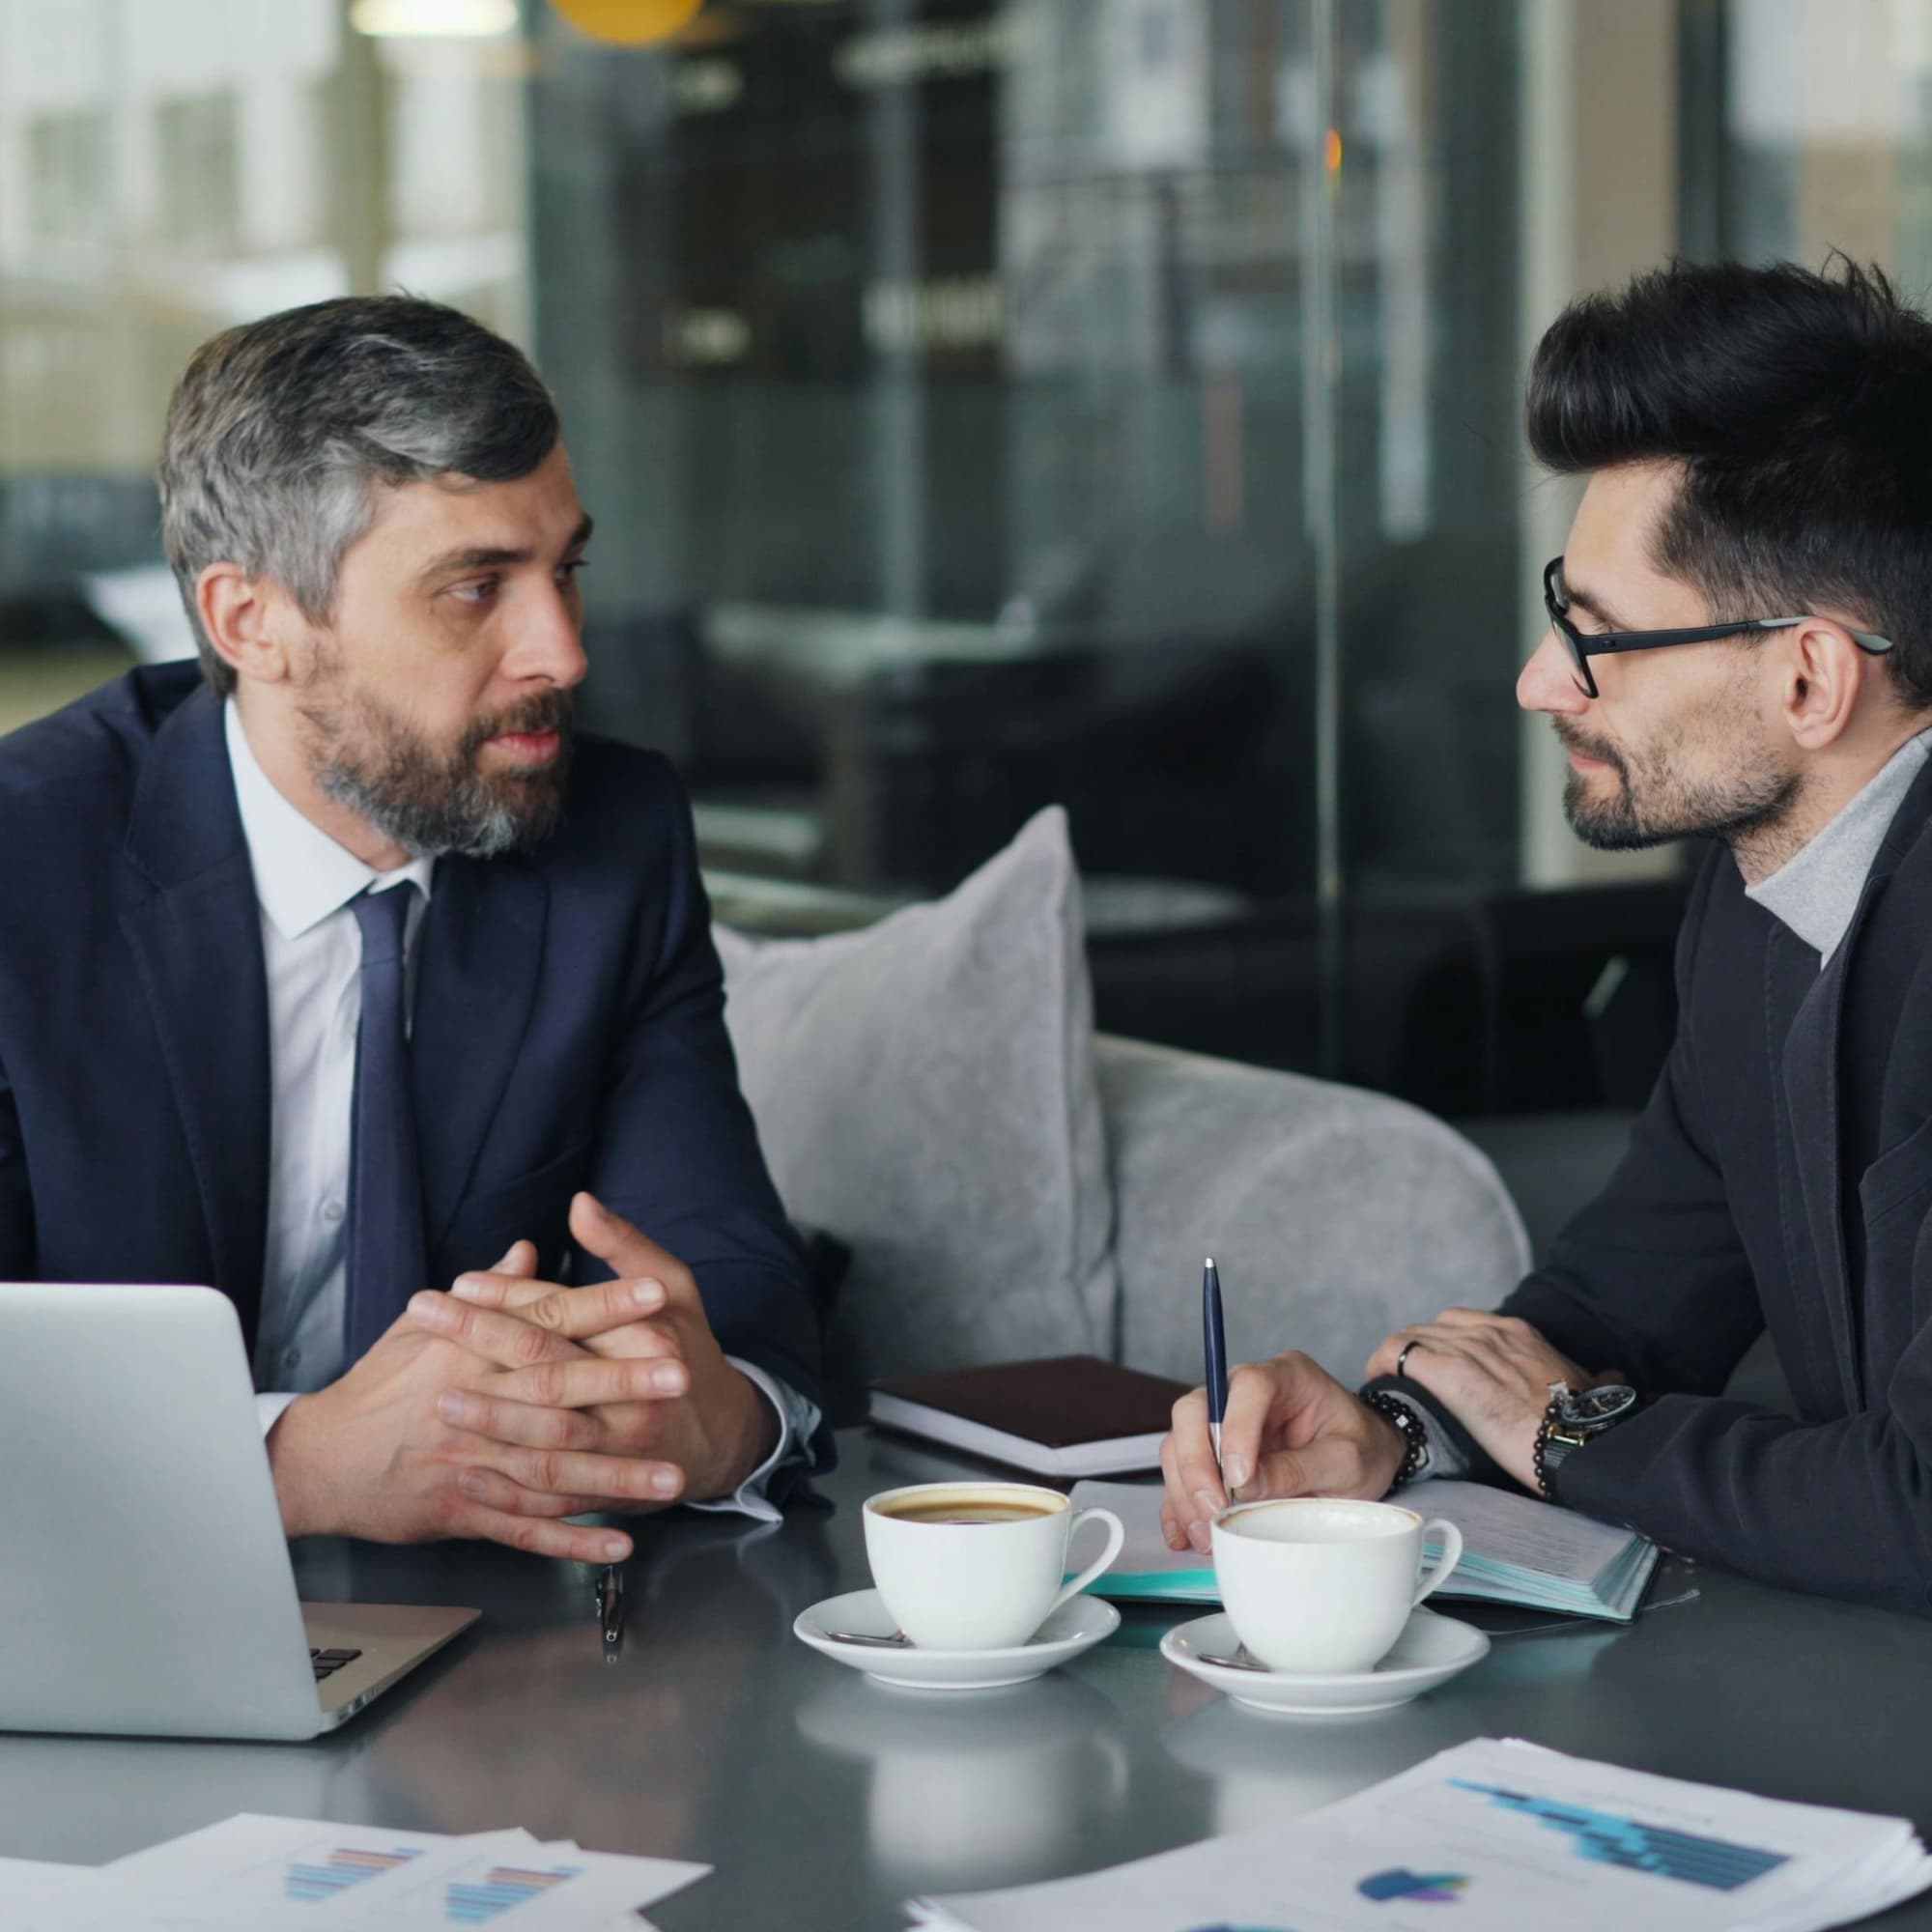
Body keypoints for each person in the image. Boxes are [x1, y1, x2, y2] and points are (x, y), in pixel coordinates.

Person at [0, 296, 830, 1564]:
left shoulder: (614, 837)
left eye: (566, 571)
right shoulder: (27, 864)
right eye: (474, 588)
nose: (559, 649)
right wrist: (297, 1465)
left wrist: (720, 1420)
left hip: (499, 1654)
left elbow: (722, 1268)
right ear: (251, 623)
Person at [1161, 258, 1932, 1617]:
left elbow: (1919, 1504)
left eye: (1601, 636)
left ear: (1811, 674)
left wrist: (1577, 1436)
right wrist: (1398, 1433)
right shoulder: (1763, 900)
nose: (1539, 680)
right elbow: (1632, 1294)